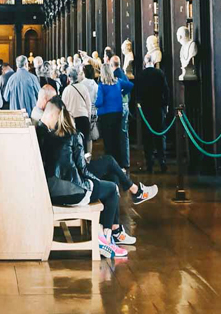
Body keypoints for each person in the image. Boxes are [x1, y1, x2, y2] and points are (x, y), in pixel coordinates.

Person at [35, 97, 152, 258]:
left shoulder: (43, 134)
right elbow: (81, 170)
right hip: (71, 191)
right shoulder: (73, 136)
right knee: (112, 188)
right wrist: (92, 183)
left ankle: (112, 233)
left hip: (51, 190)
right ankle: (107, 238)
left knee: (110, 175)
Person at [135, 48, 170, 173]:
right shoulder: (159, 73)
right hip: (157, 108)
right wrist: (166, 105)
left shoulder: (140, 75)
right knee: (159, 136)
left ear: (145, 63)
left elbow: (137, 93)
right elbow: (166, 91)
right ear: (153, 62)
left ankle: (149, 163)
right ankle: (162, 161)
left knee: (147, 137)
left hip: (145, 109)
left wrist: (139, 105)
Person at [96, 61, 133, 169]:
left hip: (106, 115)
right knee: (117, 139)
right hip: (117, 113)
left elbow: (99, 102)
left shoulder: (102, 86)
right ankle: (118, 163)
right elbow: (130, 85)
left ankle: (110, 164)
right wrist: (122, 93)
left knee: (108, 141)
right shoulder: (118, 82)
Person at [61, 66, 93, 148]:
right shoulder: (83, 88)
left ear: (69, 77)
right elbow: (88, 105)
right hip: (83, 118)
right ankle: (86, 160)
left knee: (74, 145)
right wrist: (88, 118)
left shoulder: (66, 90)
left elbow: (63, 107)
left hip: (72, 120)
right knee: (84, 143)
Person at [111, 56, 132, 169]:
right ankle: (126, 161)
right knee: (124, 134)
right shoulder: (123, 74)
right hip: (125, 105)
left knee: (119, 134)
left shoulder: (115, 75)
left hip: (119, 107)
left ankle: (121, 161)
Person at [80, 63, 100, 152]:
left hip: (83, 111)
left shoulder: (81, 84)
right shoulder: (95, 85)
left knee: (82, 134)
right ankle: (89, 155)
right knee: (90, 136)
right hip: (93, 111)